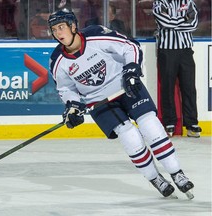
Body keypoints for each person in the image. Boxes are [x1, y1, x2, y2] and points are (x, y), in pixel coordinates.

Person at [48, 9, 195, 199]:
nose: (59, 33)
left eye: (61, 27)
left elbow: (130, 47)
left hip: (125, 86)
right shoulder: (57, 61)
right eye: (54, 29)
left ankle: (177, 173)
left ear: (73, 26)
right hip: (99, 101)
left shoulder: (96, 36)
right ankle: (155, 178)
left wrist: (132, 70)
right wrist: (72, 106)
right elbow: (66, 89)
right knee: (130, 137)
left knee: (150, 125)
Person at [153, 0, 202, 137]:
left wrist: (173, 22)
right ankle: (169, 123)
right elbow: (164, 22)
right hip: (167, 52)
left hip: (186, 51)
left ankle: (192, 124)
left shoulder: (188, 2)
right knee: (167, 88)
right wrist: (184, 19)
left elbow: (193, 24)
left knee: (189, 87)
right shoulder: (160, 3)